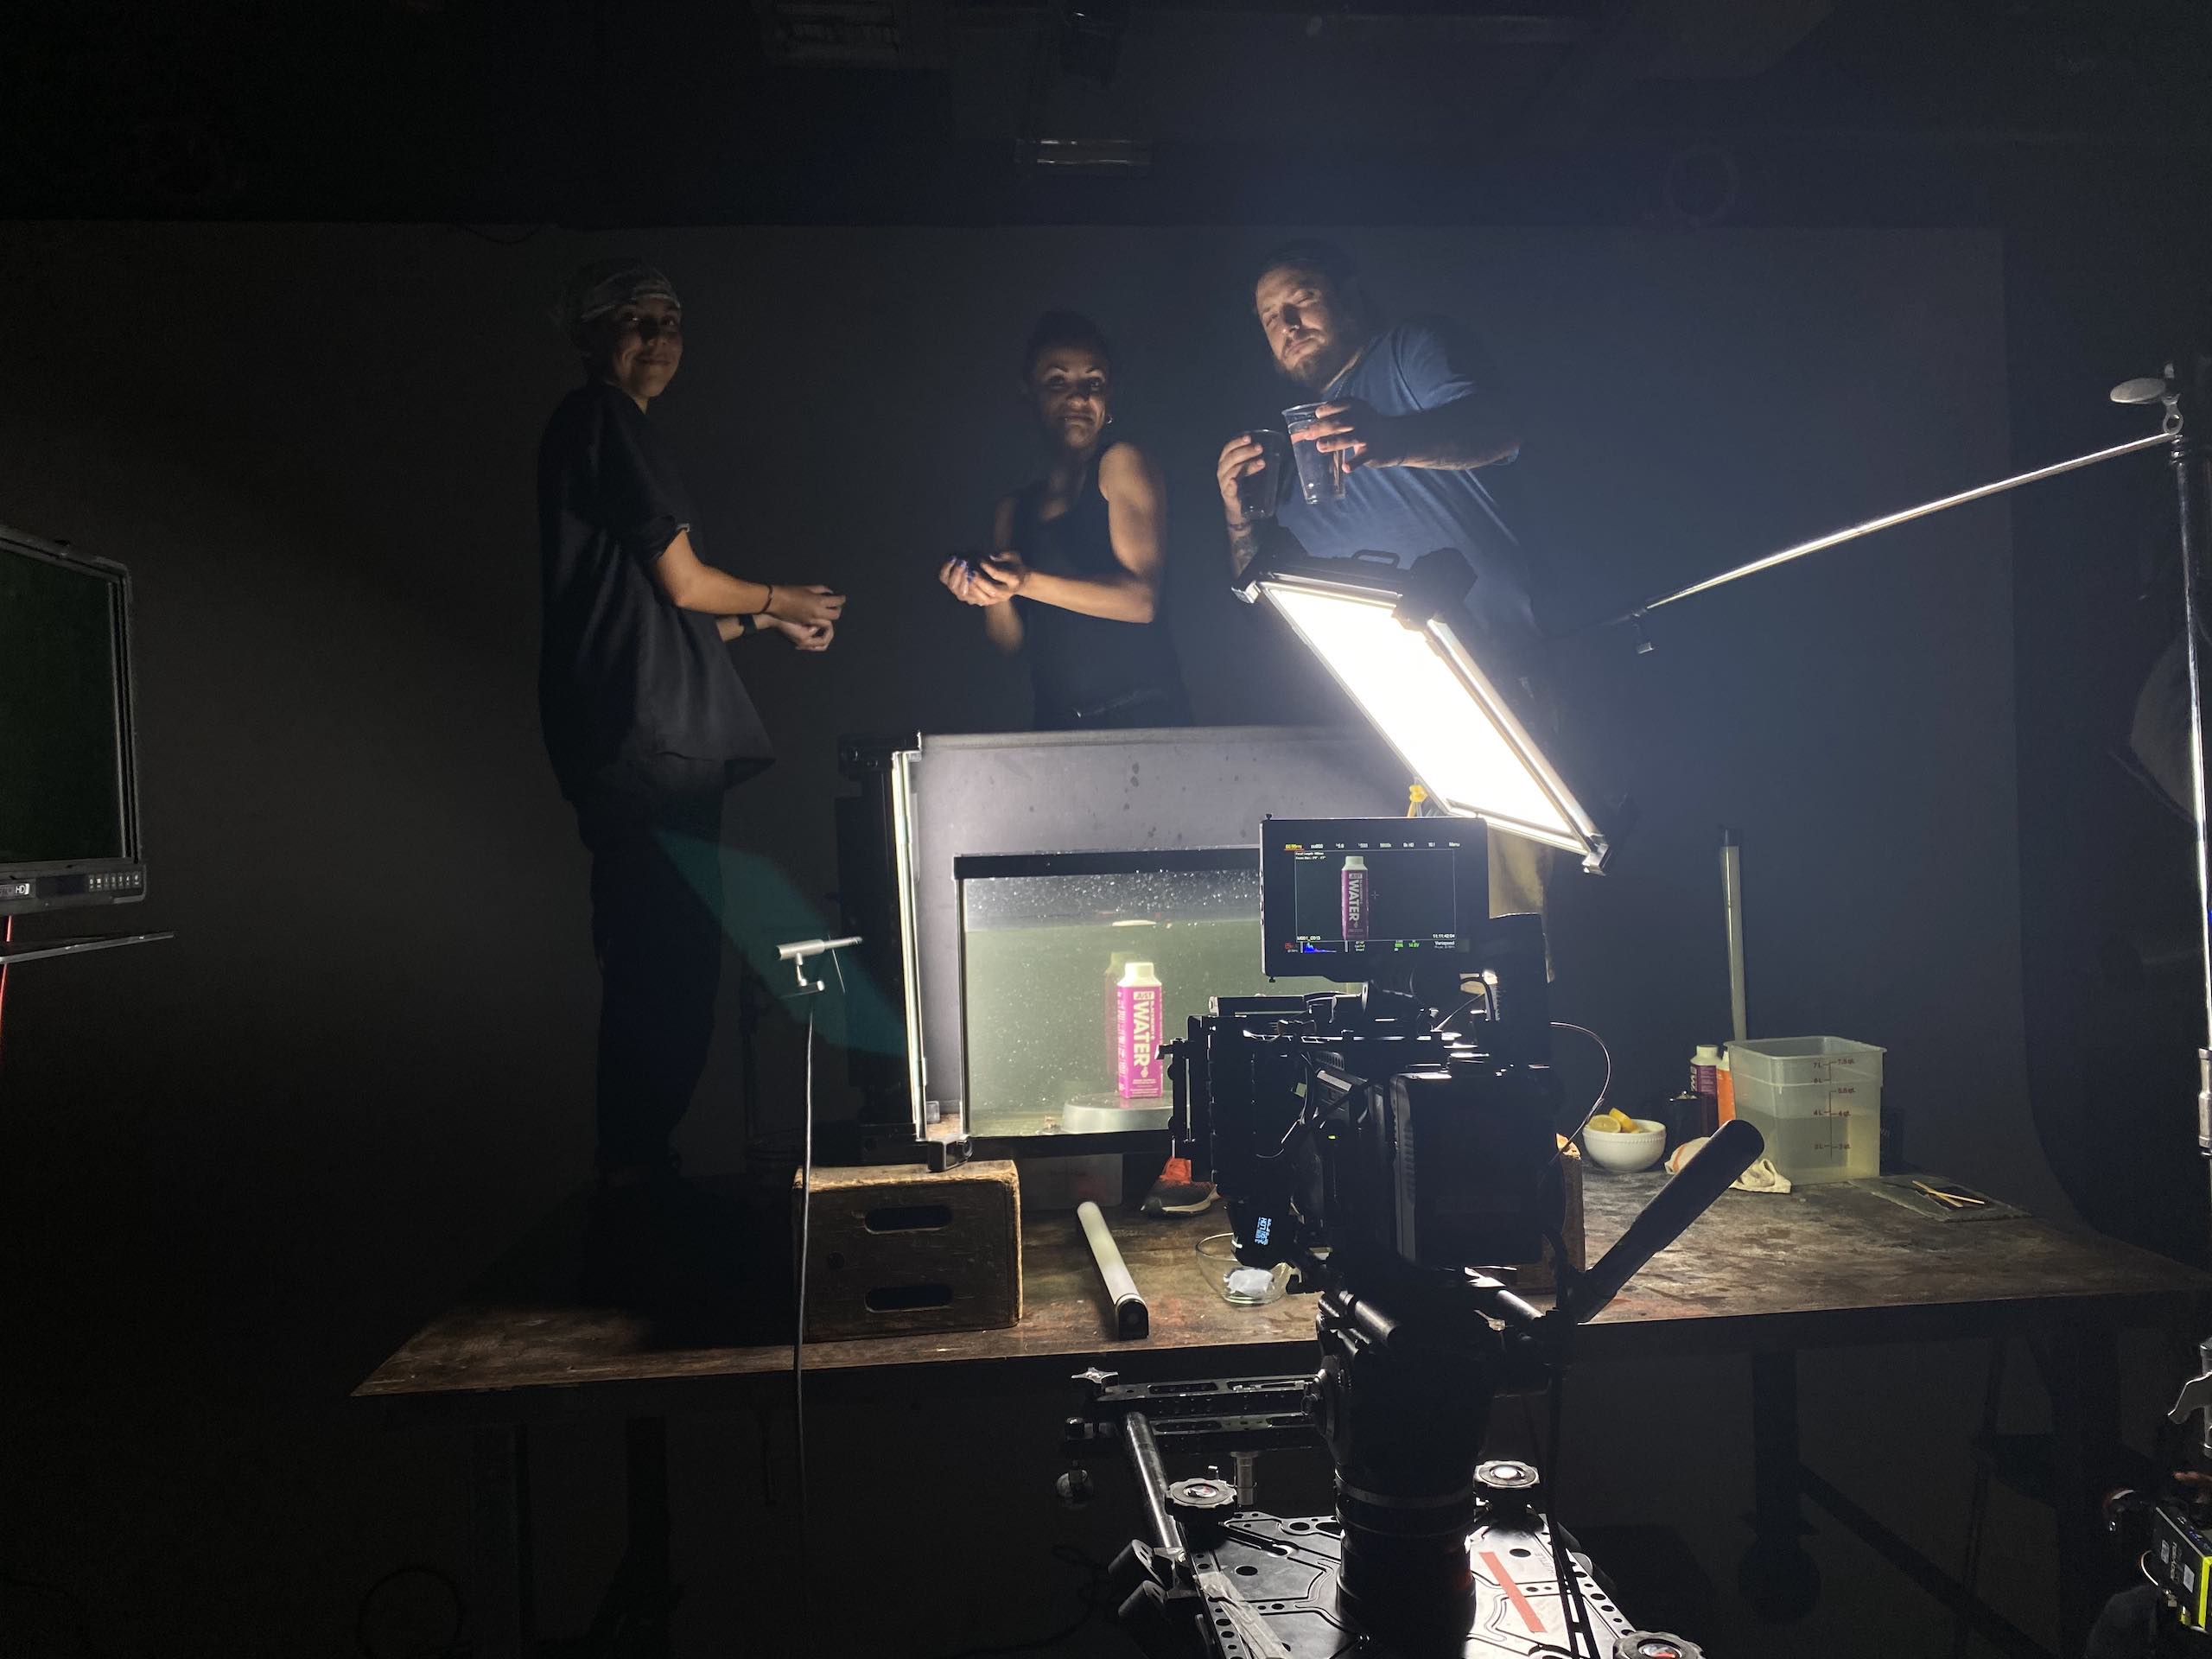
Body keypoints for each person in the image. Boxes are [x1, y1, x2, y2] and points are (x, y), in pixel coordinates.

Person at [538, 258, 845, 1192]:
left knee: (665, 964)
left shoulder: (608, 432)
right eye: (637, 321)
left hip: (645, 735)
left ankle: (639, 1167)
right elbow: (683, 582)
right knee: (662, 970)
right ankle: (635, 1177)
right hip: (646, 744)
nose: (659, 339)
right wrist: (782, 592)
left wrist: (762, 618)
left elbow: (670, 616)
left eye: (671, 322)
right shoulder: (605, 420)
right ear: (594, 334)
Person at [1213, 239, 1549, 918]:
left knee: (1505, 925)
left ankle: (1522, 1024)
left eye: (1300, 300)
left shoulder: (1409, 352)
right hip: (1391, 703)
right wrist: (1238, 515)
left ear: (1350, 296)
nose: (1287, 324)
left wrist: (1391, 440)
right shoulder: (1295, 445)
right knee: (1417, 928)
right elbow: (1262, 597)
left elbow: (1500, 429)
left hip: (1494, 671)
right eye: (1270, 318)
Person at [938, 310, 1190, 730]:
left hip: (1145, 722)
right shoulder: (1014, 509)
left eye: (1093, 383)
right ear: (1030, 393)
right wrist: (987, 591)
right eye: (1058, 382)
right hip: (1056, 728)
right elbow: (1009, 644)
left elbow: (1141, 601)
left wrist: (1024, 581)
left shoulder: (1121, 463)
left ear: (1109, 396)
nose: (1077, 398)